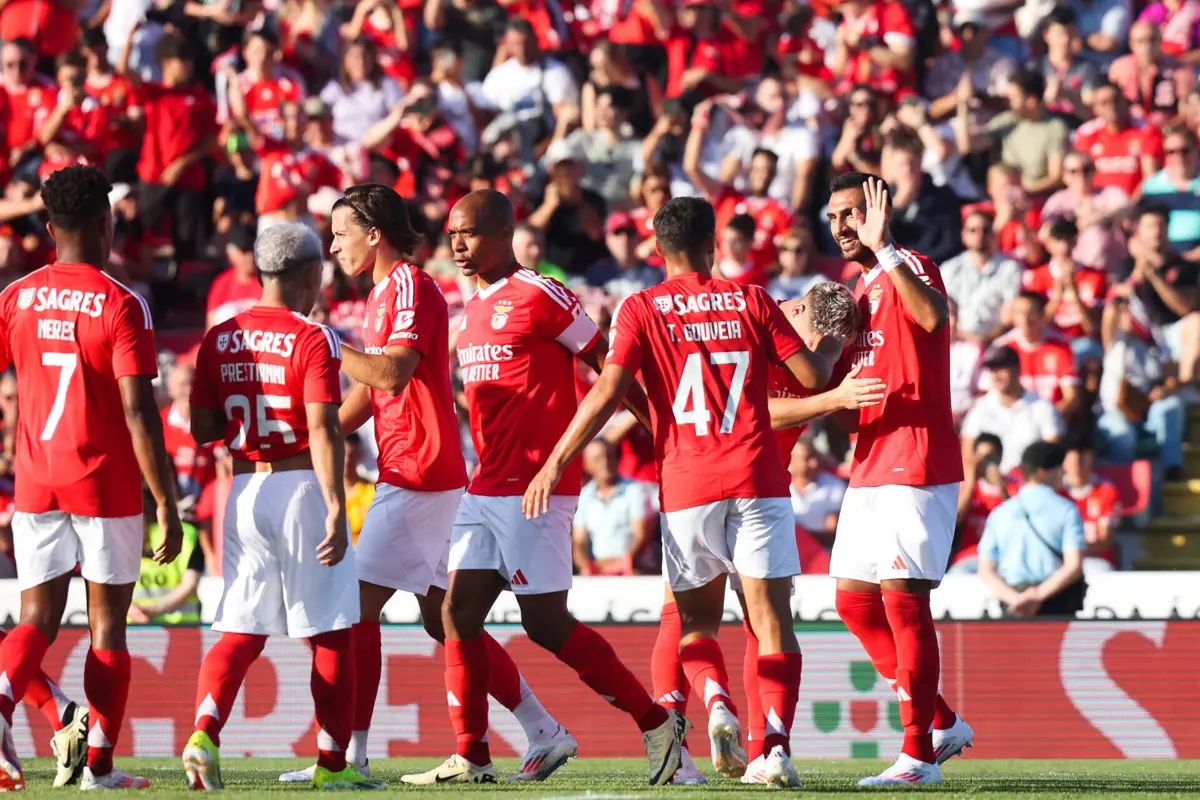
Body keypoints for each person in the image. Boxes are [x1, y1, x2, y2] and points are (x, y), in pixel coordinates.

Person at [523, 197, 866, 788]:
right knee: (772, 621)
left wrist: (557, 459)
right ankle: (776, 750)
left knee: (693, 626)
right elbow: (810, 378)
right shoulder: (752, 299)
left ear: (658, 249)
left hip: (688, 483)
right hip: (758, 477)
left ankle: (712, 703)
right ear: (713, 244)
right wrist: (833, 360)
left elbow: (607, 392)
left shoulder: (640, 308)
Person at [287, 184, 574, 784]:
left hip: (420, 471)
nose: (333, 245)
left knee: (352, 609)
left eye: (341, 232)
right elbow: (372, 390)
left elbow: (391, 373)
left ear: (373, 233)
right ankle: (543, 729)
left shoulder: (411, 286)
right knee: (442, 617)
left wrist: (326, 341)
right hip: (419, 471)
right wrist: (313, 437)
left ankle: (348, 759)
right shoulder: (381, 294)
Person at [401, 190, 686, 786]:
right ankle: (474, 754)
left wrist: (660, 433)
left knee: (546, 624)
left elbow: (611, 366)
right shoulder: (470, 308)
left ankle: (655, 723)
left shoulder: (542, 293)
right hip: (485, 488)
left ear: (505, 234)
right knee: (454, 613)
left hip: (537, 486)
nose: (458, 243)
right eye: (452, 232)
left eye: (470, 232)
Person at [649, 283, 883, 786]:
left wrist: (837, 384)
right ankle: (691, 747)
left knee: (746, 623)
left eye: (830, 342)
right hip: (736, 485)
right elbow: (747, 409)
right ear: (794, 309)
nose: (818, 349)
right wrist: (829, 396)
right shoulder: (753, 324)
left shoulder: (812, 348)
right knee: (692, 618)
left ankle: (762, 749)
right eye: (816, 335)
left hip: (739, 489)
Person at [0, 164, 183, 790]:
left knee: (34, 621)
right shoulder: (121, 302)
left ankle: (2, 709)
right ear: (107, 224)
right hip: (103, 483)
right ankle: (98, 768)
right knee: (108, 626)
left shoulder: (16, 296)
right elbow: (139, 411)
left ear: (50, 228)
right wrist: (167, 501)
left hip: (34, 481)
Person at [182, 223, 373, 791]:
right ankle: (333, 767)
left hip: (243, 491)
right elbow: (321, 427)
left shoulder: (219, 337)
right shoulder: (311, 337)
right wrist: (337, 507)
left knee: (240, 627)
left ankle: (202, 735)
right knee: (334, 632)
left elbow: (202, 428)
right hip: (300, 490)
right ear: (312, 274)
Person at [825, 174, 971, 785]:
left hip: (916, 458)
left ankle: (917, 755)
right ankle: (939, 720)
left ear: (880, 213)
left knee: (904, 602)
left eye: (852, 214)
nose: (840, 227)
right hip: (870, 464)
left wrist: (885, 248)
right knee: (853, 600)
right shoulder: (858, 289)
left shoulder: (908, 264)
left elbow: (936, 319)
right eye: (832, 217)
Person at [978, 441, 1087, 617]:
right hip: (1056, 600)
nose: (1064, 472)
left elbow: (986, 570)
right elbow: (1073, 565)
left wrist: (1016, 600)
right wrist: (1038, 595)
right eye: (1059, 467)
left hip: (1013, 602)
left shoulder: (999, 513)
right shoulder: (1067, 510)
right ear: (1043, 472)